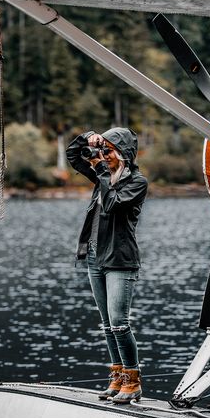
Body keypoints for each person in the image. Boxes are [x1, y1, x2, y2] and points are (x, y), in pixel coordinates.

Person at [66, 127, 148, 404]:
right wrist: (89, 137)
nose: (103, 156)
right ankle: (117, 376)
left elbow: (112, 204)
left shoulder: (137, 183)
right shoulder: (102, 176)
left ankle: (132, 380)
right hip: (94, 257)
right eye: (103, 151)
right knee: (106, 325)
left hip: (120, 261)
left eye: (109, 151)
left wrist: (101, 169)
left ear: (124, 154)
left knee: (119, 324)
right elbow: (73, 155)